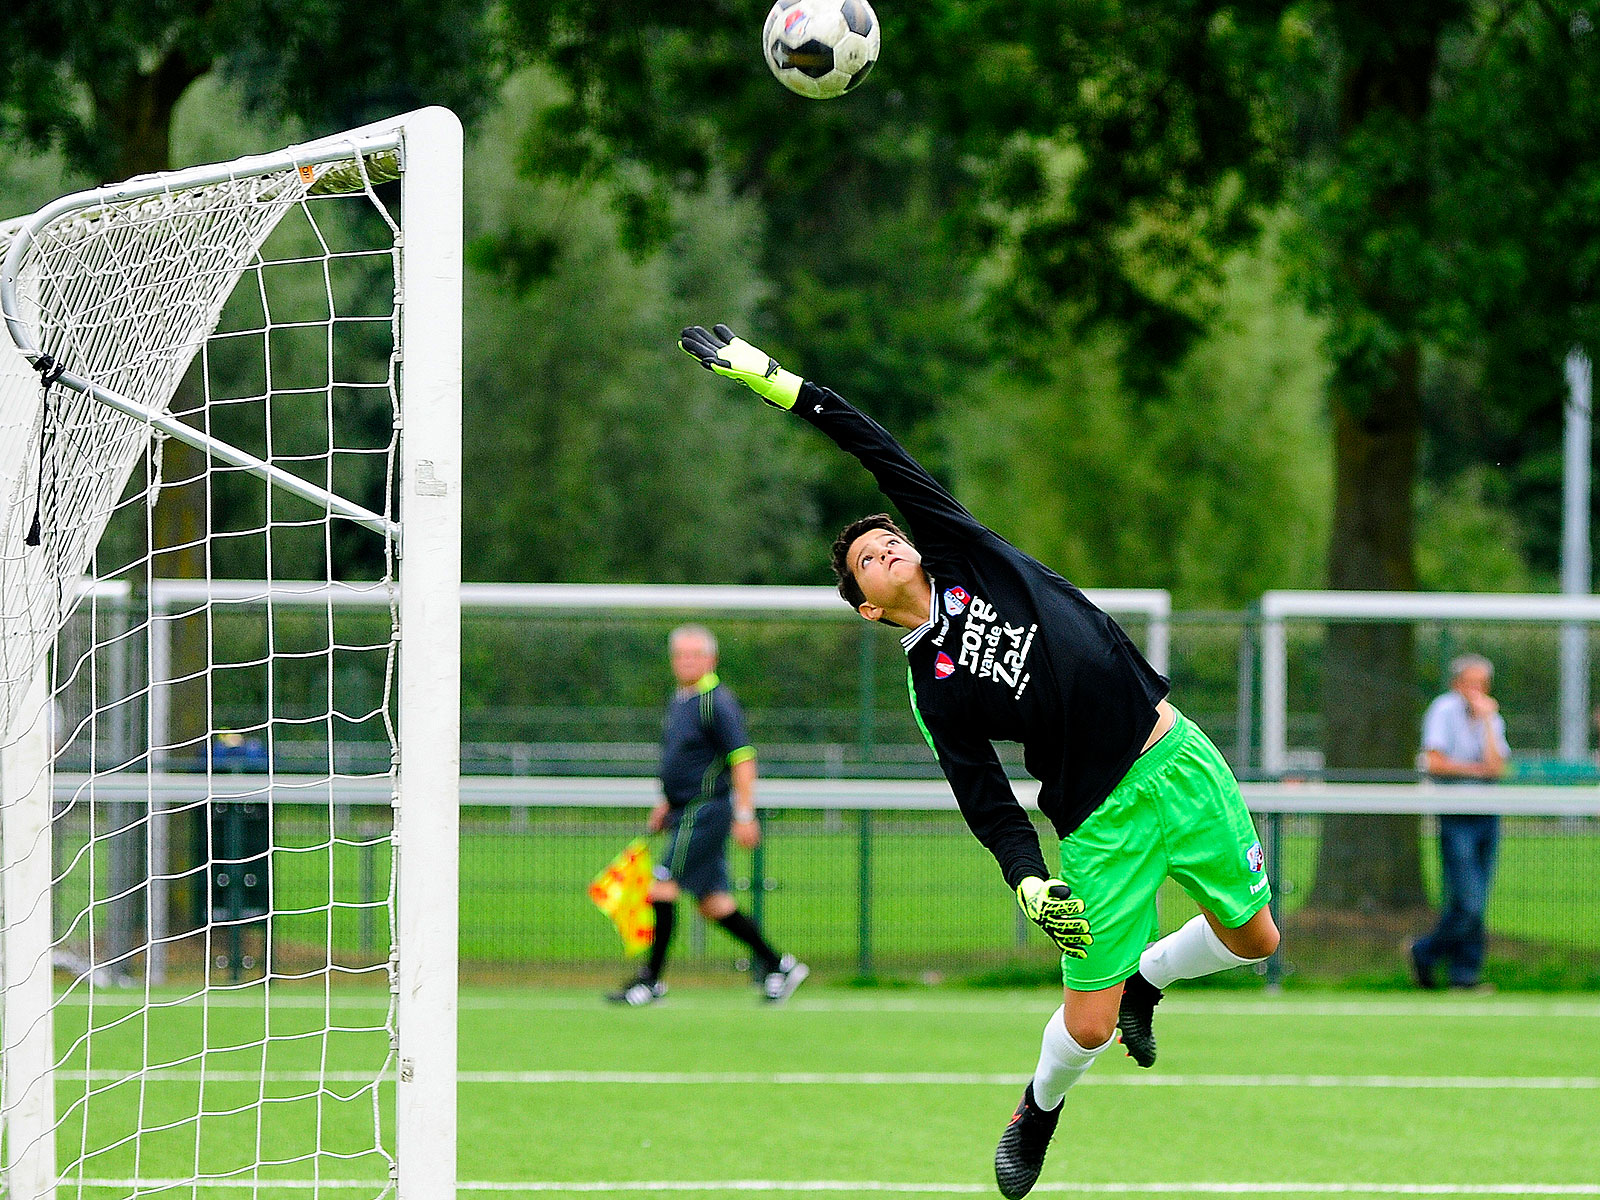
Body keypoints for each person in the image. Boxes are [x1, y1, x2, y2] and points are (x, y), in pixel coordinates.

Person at [679, 324, 1280, 1199]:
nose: (884, 546)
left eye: (887, 539)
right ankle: (1036, 1112)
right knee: (1084, 1027)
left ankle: (1151, 977)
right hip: (1100, 820)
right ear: (863, 607)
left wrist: (773, 380)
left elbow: (874, 449)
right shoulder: (934, 687)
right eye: (865, 558)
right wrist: (1029, 882)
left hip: (1177, 758)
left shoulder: (961, 550)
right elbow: (986, 797)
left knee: (1257, 939)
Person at [607, 623, 808, 1006]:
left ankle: (649, 982)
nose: (687, 661)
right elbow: (685, 758)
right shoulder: (679, 700)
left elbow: (743, 760)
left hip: (705, 812)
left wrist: (745, 815)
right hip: (683, 811)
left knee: (661, 887)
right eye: (681, 655)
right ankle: (778, 964)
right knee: (714, 903)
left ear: (711, 659)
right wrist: (666, 802)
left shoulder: (716, 701)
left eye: (695, 654)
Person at [1407, 653, 1508, 992]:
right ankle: (1424, 952)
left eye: (1482, 684)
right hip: (1455, 815)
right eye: (1471, 683)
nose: (1477, 690)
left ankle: (1465, 976)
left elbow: (1496, 767)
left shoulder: (1491, 716)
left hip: (1487, 814)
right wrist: (1475, 770)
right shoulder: (1443, 710)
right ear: (1457, 685)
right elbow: (1434, 762)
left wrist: (1488, 724)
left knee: (1478, 899)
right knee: (1467, 899)